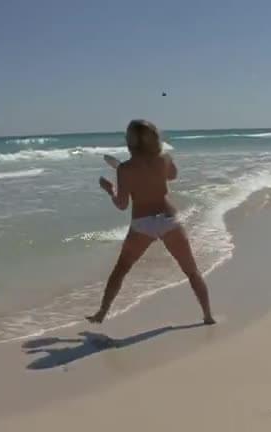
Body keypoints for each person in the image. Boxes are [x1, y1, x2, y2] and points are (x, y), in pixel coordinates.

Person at [87, 119, 215, 325]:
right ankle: (208, 315)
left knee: (121, 270)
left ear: (129, 141)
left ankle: (102, 312)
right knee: (191, 271)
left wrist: (110, 190)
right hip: (168, 219)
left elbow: (122, 205)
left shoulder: (124, 169)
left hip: (142, 223)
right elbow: (172, 176)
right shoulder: (164, 158)